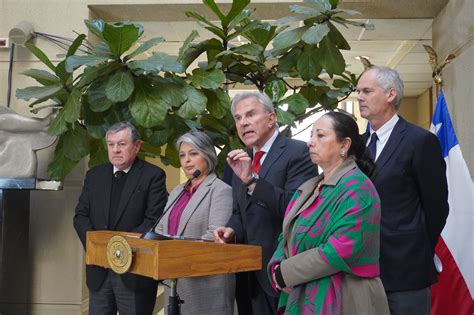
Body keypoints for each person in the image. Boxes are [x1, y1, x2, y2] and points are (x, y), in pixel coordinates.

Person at [268, 112, 389, 314]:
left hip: (345, 298)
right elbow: (288, 233)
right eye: (311, 135)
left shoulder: (358, 188)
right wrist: (276, 267)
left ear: (344, 144)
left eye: (320, 135)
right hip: (303, 292)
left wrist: (285, 272)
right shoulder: (311, 187)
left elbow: (339, 249)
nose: (310, 142)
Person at [214, 92, 318, 315]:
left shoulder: (298, 152)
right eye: (238, 118)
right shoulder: (238, 160)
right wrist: (231, 229)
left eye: (250, 114)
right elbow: (239, 211)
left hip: (280, 270)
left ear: (271, 118)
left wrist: (252, 180)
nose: (243, 122)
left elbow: (296, 207)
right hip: (246, 275)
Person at [356, 65, 449, 315]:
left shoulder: (420, 141)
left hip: (406, 271)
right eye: (358, 91)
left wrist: (414, 246)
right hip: (361, 270)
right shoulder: (358, 145)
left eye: (366, 91)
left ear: (391, 94)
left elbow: (437, 207)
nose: (359, 97)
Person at [73, 121, 167, 315]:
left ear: (137, 145)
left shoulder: (153, 176)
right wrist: (98, 246)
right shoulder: (94, 175)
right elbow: (80, 216)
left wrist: (120, 248)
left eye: (122, 144)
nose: (115, 150)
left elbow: (154, 221)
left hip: (135, 272)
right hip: (99, 270)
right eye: (111, 144)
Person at [155, 131, 235, 314]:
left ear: (207, 155)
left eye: (193, 154)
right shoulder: (177, 191)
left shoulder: (221, 190)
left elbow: (213, 237)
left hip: (205, 284)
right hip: (174, 281)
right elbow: (160, 228)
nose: (187, 161)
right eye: (182, 155)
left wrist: (175, 256)